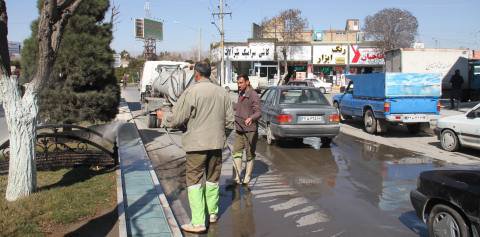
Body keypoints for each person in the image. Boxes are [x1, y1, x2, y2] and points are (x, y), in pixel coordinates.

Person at [158, 61, 234, 233]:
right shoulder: (222, 93)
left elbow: (177, 118)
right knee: (213, 178)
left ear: (197, 75)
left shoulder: (191, 92)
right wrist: (221, 137)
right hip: (216, 145)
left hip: (196, 146)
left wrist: (164, 117)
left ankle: (198, 222)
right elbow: (230, 122)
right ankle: (213, 213)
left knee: (194, 181)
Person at [232, 74, 260, 185]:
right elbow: (239, 107)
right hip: (239, 128)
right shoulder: (240, 93)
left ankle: (247, 176)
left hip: (250, 130)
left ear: (247, 82)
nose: (239, 85)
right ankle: (237, 177)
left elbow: (258, 112)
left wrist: (251, 118)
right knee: (236, 152)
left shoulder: (253, 95)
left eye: (241, 83)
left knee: (249, 154)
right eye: (238, 83)